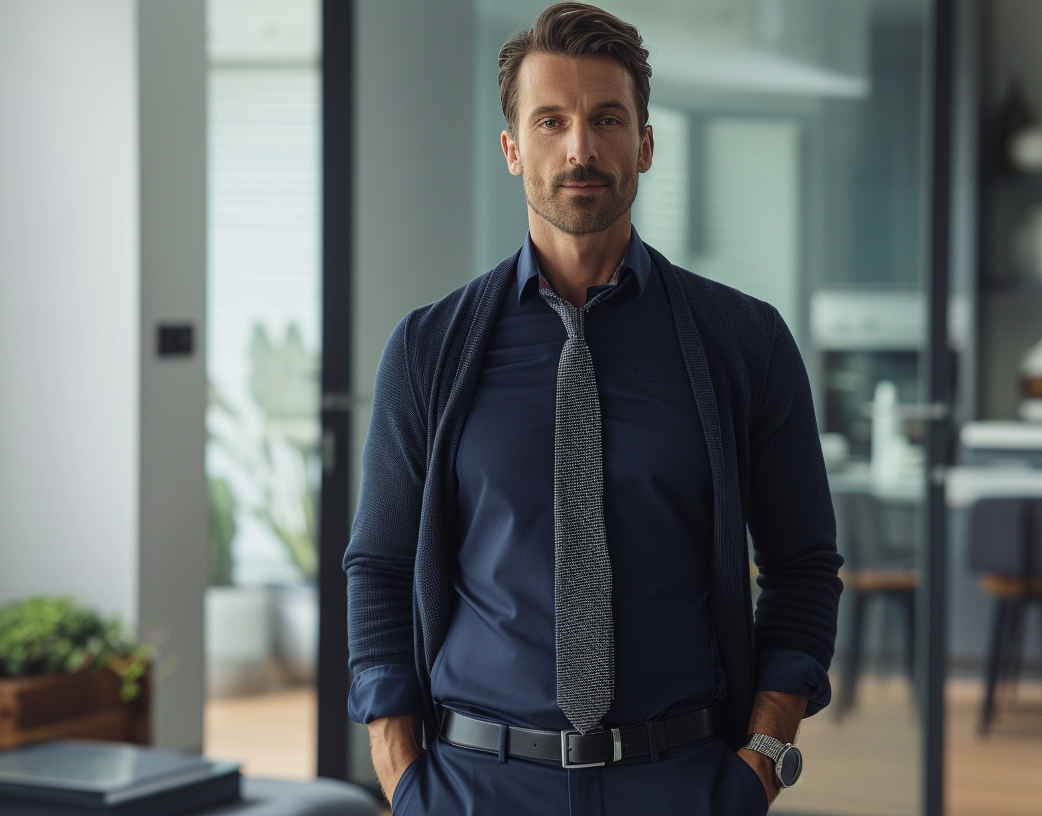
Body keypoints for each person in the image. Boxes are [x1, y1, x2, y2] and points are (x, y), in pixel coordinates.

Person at [343, 4, 842, 813]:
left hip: (680, 780)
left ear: (645, 143)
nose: (581, 147)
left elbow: (804, 567)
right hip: (474, 783)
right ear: (513, 149)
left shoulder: (744, 341)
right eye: (551, 121)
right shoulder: (428, 349)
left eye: (607, 118)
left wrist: (762, 757)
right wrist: (404, 774)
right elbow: (379, 565)